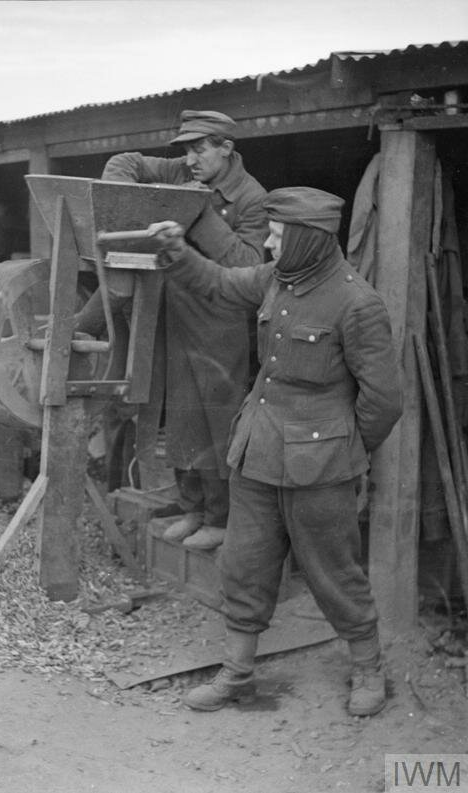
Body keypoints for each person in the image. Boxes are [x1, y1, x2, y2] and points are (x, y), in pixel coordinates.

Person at [148, 187, 403, 717]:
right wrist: (177, 254)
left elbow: (383, 402)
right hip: (258, 453)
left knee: (335, 572)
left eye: (277, 236)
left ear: (307, 240)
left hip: (321, 469)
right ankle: (237, 674)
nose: (266, 243)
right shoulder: (276, 279)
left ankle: (368, 668)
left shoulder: (358, 304)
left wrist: (341, 453)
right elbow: (219, 284)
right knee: (244, 566)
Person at [76, 110, 268, 549]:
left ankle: (221, 518)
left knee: (216, 422)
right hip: (175, 312)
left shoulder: (252, 199)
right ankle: (193, 507)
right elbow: (125, 162)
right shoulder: (182, 170)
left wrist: (197, 212)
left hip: (219, 322)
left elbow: (249, 266)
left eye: (200, 148)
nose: (190, 158)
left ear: (227, 148)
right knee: (179, 419)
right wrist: (126, 198)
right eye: (185, 148)